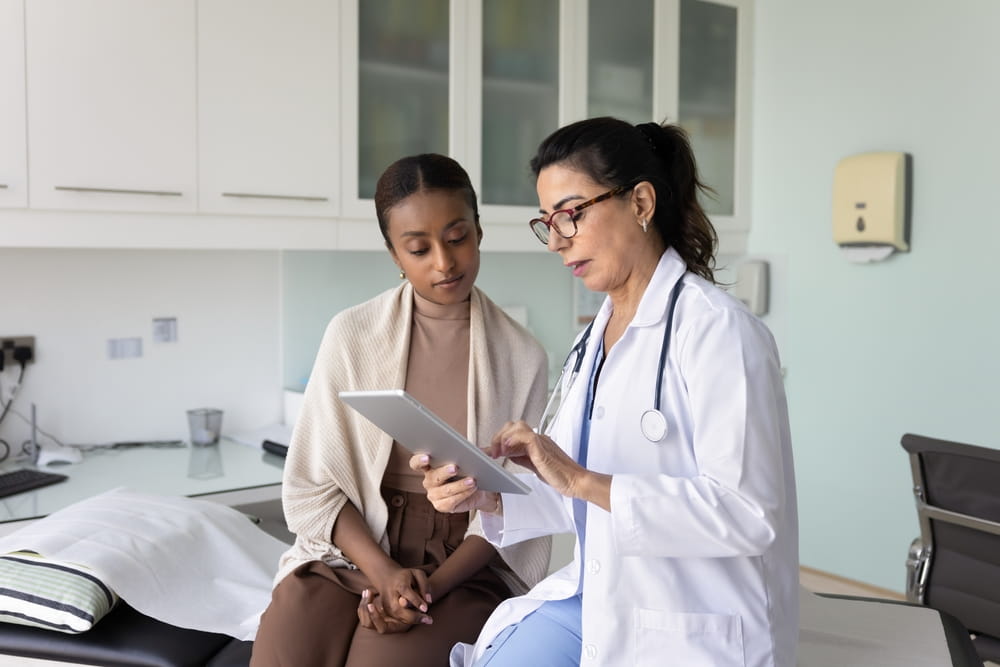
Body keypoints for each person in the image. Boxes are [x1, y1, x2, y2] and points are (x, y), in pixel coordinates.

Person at [413, 118, 799, 667]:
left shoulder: (719, 332)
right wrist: (490, 495)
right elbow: (579, 497)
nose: (556, 241)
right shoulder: (592, 340)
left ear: (640, 202)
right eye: (547, 222)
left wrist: (578, 478)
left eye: (571, 214)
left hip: (694, 620)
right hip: (606, 597)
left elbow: (749, 514)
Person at [251, 154, 551, 667]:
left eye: (457, 237)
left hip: (463, 565)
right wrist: (384, 573)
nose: (444, 262)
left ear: (479, 231)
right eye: (418, 248)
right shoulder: (351, 336)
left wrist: (425, 587)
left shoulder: (522, 356)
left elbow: (520, 509)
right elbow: (313, 488)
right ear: (394, 254)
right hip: (350, 548)